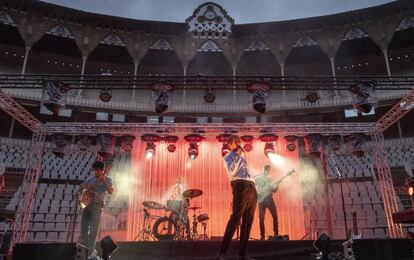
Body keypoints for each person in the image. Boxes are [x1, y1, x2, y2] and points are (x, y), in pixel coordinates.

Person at [218, 135, 257, 260]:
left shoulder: (243, 157)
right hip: (240, 187)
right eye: (237, 142)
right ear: (230, 144)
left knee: (248, 223)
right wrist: (238, 156)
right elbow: (231, 172)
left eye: (239, 142)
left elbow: (246, 173)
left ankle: (242, 254)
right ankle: (222, 252)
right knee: (235, 219)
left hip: (251, 187)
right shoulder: (228, 157)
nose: (239, 143)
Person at [79, 161, 114, 259]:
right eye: (95, 170)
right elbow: (81, 186)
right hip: (87, 205)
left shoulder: (108, 179)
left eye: (98, 170)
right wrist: (86, 186)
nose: (96, 172)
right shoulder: (90, 178)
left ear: (102, 170)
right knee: (83, 230)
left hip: (97, 206)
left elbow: (111, 191)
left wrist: (104, 181)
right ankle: (87, 250)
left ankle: (89, 254)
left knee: (93, 231)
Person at [255, 165, 279, 240]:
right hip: (261, 200)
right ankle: (262, 236)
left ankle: (276, 234)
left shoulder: (270, 179)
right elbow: (254, 187)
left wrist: (277, 184)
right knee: (261, 218)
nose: (267, 170)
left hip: (269, 198)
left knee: (275, 216)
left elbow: (274, 190)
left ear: (269, 171)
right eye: (266, 169)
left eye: (268, 169)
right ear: (263, 169)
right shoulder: (258, 178)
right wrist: (257, 194)